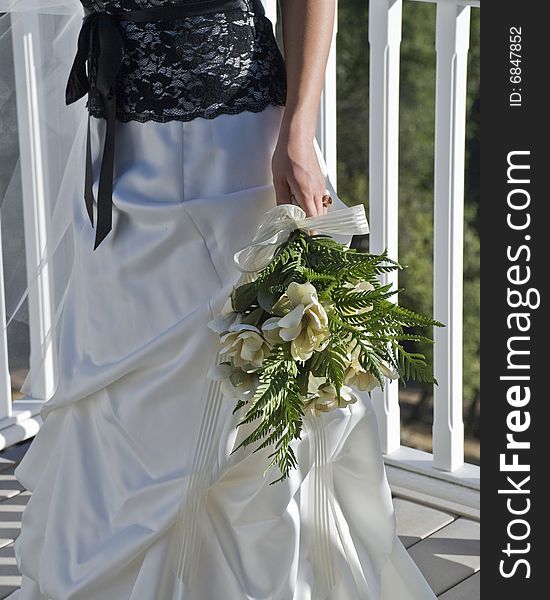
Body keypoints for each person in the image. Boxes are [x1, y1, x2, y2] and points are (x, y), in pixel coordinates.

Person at [1, 0, 437, 598]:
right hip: (123, 145)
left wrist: (299, 134)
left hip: (234, 147)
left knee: (256, 392)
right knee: (118, 393)